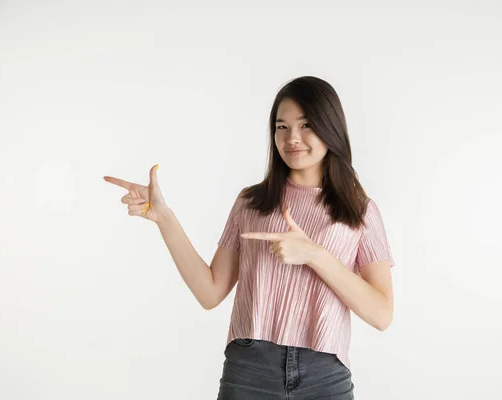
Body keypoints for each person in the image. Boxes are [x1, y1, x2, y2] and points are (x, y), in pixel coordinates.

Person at [104, 76, 395, 399]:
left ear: (331, 127)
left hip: (324, 375)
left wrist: (315, 255)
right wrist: (164, 218)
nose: (292, 138)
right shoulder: (251, 203)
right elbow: (210, 292)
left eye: (306, 125)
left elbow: (382, 315)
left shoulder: (360, 211)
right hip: (249, 370)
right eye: (282, 127)